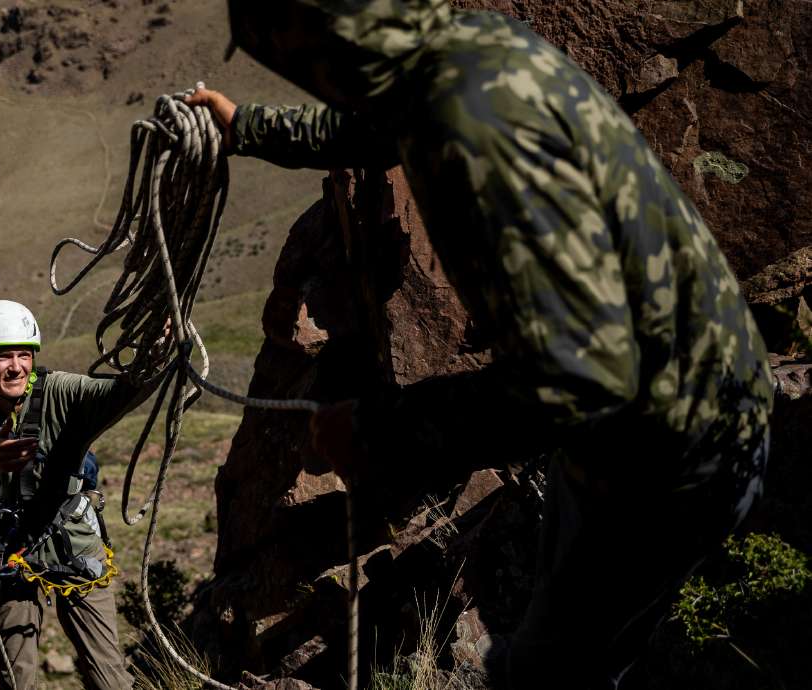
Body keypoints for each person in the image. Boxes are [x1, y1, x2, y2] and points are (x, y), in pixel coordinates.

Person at [187, 1, 773, 688]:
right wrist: (249, 126)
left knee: (544, 674)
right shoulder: (457, 52)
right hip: (674, 406)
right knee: (569, 655)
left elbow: (584, 378)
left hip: (665, 445)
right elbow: (380, 122)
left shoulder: (470, 127)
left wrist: (379, 431)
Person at [0, 300, 146, 690]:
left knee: (109, 676)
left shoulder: (60, 391)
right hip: (10, 552)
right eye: (3, 357)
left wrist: (154, 352)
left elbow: (123, 392)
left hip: (74, 544)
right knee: (16, 676)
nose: (15, 366)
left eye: (23, 354)